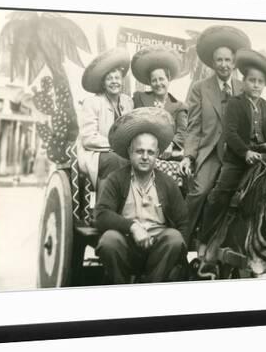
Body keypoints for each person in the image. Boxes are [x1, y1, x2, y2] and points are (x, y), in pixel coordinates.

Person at [201, 48, 266, 264]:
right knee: (219, 194)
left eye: (260, 82)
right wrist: (245, 151)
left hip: (263, 160)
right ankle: (204, 239)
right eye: (252, 80)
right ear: (243, 82)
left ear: (264, 85)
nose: (256, 85)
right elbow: (230, 133)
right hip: (238, 159)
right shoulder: (235, 104)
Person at [93, 107, 189, 284]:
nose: (145, 157)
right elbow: (101, 215)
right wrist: (132, 227)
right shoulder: (116, 179)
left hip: (157, 250)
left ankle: (151, 291)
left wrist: (178, 258)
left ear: (157, 155)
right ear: (130, 152)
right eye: (139, 151)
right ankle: (120, 292)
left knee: (174, 238)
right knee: (109, 240)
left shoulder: (168, 183)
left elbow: (183, 222)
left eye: (150, 152)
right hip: (127, 245)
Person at [179, 25, 251, 245]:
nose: (224, 65)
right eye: (219, 60)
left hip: (238, 155)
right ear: (212, 62)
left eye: (228, 60)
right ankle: (181, 240)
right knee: (199, 193)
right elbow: (193, 126)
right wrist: (188, 156)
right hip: (210, 152)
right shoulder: (200, 88)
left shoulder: (244, 88)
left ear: (234, 62)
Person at [76, 47, 134, 190]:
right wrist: (117, 147)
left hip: (120, 152)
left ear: (122, 81)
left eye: (117, 78)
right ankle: (104, 207)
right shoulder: (93, 102)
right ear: (103, 83)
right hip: (95, 153)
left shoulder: (128, 102)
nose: (114, 82)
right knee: (115, 161)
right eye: (109, 79)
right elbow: (89, 139)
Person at [131, 45, 187, 160]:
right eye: (154, 80)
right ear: (149, 83)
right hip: (143, 150)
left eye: (161, 79)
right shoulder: (139, 98)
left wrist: (171, 145)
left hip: (168, 155)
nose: (158, 83)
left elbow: (182, 132)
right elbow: (133, 125)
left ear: (168, 79)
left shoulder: (179, 106)